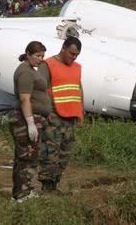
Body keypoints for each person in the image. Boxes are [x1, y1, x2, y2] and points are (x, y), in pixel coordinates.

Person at [9, 41, 51, 202]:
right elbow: (25, 99)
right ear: (28, 54)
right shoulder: (25, 72)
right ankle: (22, 194)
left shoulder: (31, 70)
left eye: (42, 56)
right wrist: (30, 123)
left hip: (34, 118)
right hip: (24, 120)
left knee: (27, 156)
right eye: (37, 55)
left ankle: (21, 192)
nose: (40, 59)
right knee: (27, 158)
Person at [41, 36, 83, 193]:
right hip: (53, 117)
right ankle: (47, 187)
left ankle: (56, 184)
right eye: (71, 53)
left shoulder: (77, 67)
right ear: (63, 48)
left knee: (65, 154)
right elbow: (41, 90)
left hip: (70, 118)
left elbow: (78, 89)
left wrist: (80, 113)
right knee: (50, 153)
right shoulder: (48, 65)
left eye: (76, 55)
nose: (73, 57)